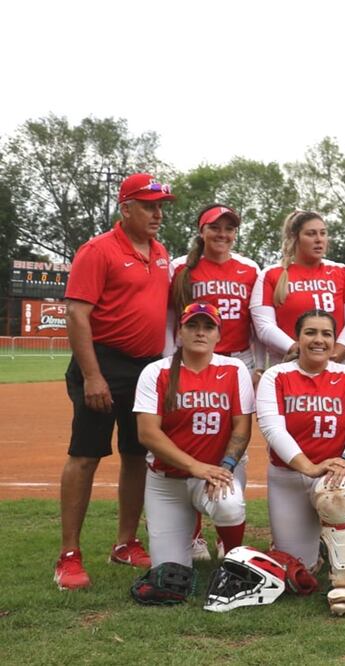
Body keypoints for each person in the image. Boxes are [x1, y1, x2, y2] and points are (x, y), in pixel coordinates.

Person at [55, 173, 174, 590]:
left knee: (136, 454)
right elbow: (76, 314)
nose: (157, 213)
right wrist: (92, 375)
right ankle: (69, 553)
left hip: (145, 368)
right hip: (102, 363)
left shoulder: (160, 252)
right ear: (126, 209)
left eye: (160, 206)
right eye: (148, 206)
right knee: (86, 455)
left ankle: (124, 543)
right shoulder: (98, 250)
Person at [257, 309, 345, 616]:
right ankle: (320, 547)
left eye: (326, 334)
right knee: (300, 572)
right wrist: (308, 466)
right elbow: (272, 428)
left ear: (335, 341)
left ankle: (344, 583)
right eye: (310, 332)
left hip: (337, 470)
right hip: (288, 477)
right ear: (297, 338)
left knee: (337, 495)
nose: (318, 340)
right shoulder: (276, 376)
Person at [168, 203, 260, 560]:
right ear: (201, 230)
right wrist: (167, 361)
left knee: (235, 446)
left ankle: (227, 529)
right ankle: (193, 534)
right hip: (189, 361)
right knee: (189, 437)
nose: (223, 234)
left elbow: (254, 321)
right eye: (215, 228)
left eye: (229, 228)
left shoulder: (249, 268)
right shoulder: (181, 267)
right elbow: (169, 318)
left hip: (237, 359)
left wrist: (258, 364)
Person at [133, 303, 253, 567]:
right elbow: (147, 433)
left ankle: (234, 563)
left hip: (217, 472)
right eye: (193, 325)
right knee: (169, 572)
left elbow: (242, 428)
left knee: (229, 504)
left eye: (209, 327)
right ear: (180, 332)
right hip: (167, 481)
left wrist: (224, 469)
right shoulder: (156, 371)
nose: (201, 332)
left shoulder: (234, 369)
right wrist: (195, 467)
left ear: (219, 335)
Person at [251, 210, 345, 366]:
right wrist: (300, 352)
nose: (319, 240)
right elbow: (264, 326)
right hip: (287, 365)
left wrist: (333, 355)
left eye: (323, 233)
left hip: (335, 365)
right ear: (294, 238)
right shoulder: (271, 274)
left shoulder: (344, 272)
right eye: (311, 234)